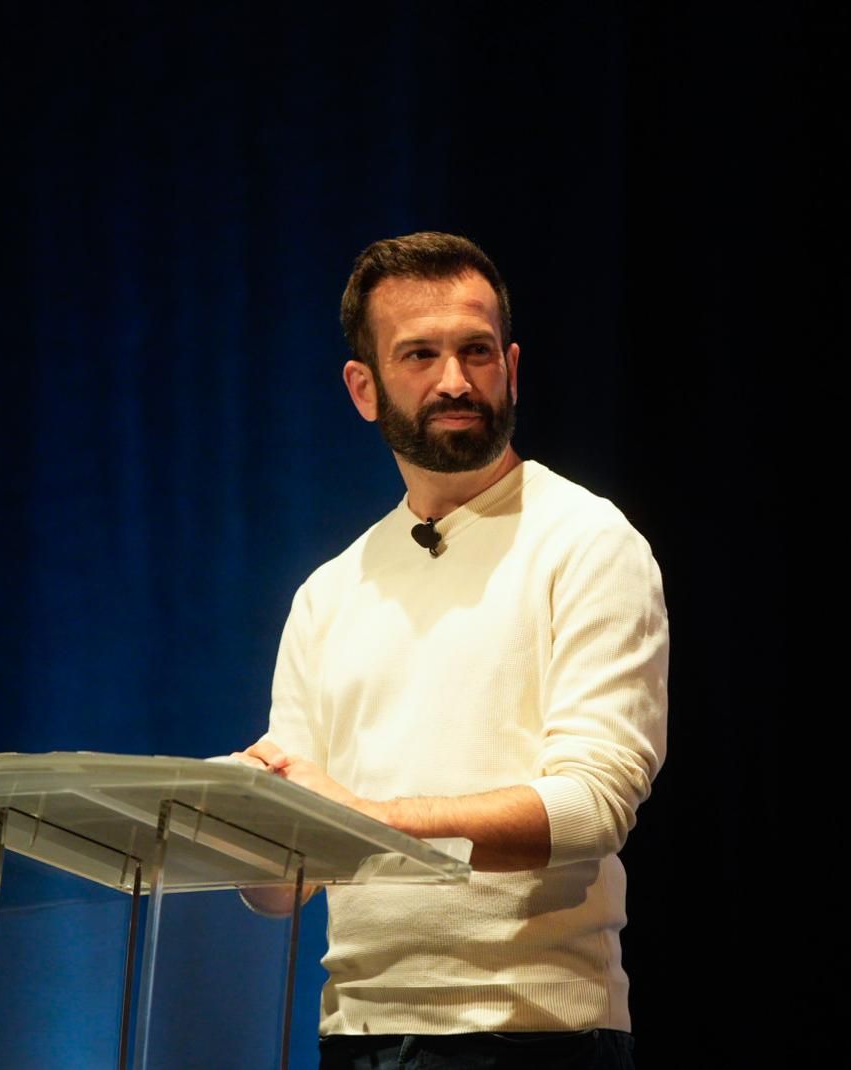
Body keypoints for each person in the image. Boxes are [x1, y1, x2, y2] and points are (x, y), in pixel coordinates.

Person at [229, 231, 668, 1069]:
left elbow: (591, 808)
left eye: (475, 352)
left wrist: (361, 820)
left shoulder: (587, 541)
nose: (454, 380)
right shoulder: (330, 591)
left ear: (512, 366)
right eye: (419, 355)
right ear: (365, 388)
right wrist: (246, 823)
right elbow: (284, 889)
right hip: (356, 1035)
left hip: (535, 1036)